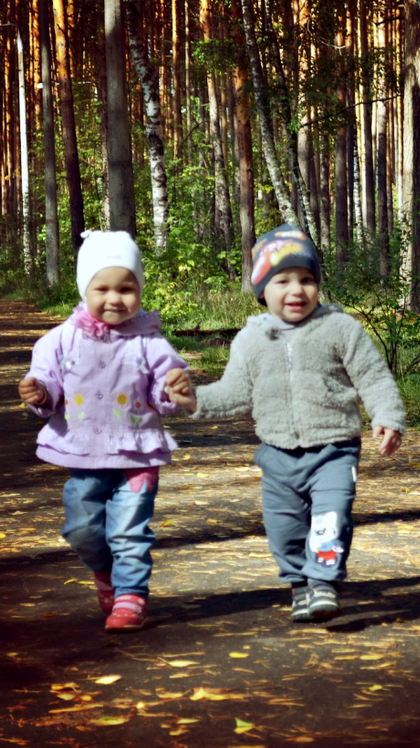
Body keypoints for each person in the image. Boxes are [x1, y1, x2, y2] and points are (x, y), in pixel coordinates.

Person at [165, 224, 405, 622]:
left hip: (334, 448)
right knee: (284, 529)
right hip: (277, 454)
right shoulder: (251, 339)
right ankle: (299, 585)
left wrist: (388, 415)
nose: (297, 290)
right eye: (283, 281)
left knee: (331, 518)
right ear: (262, 290)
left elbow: (373, 377)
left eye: (307, 280)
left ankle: (323, 582)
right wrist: (195, 400)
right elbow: (235, 392)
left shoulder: (340, 328)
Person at [19, 230, 191, 633]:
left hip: (138, 453)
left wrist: (173, 390)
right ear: (85, 288)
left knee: (129, 530)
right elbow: (47, 381)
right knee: (81, 529)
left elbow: (165, 386)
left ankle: (131, 597)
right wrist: (40, 392)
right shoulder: (61, 340)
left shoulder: (150, 342)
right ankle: (106, 574)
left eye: (126, 288)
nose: (115, 298)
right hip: (84, 453)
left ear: (139, 290)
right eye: (103, 288)